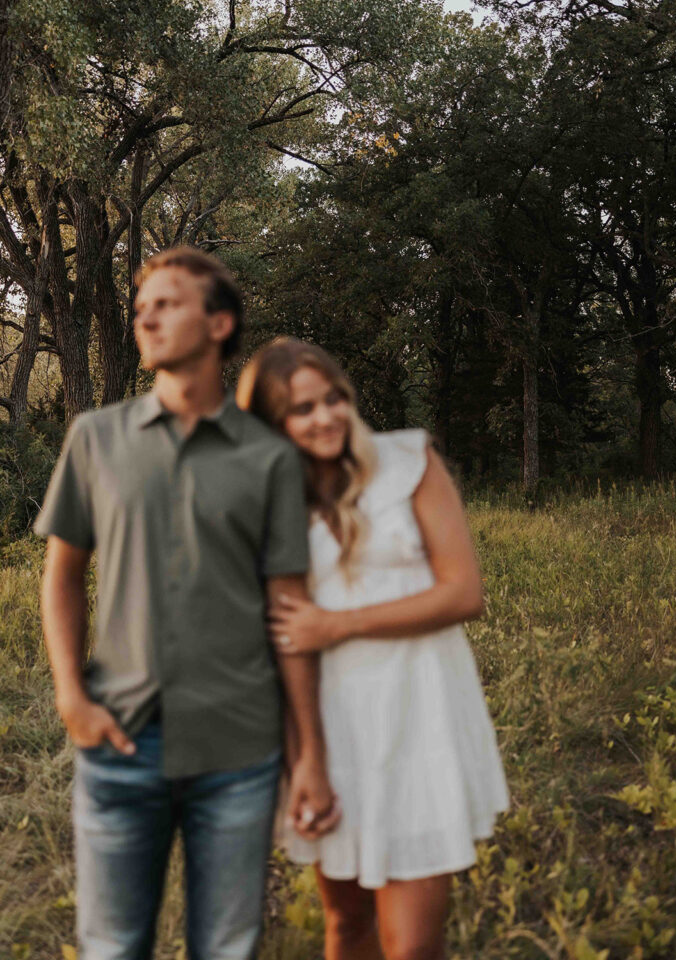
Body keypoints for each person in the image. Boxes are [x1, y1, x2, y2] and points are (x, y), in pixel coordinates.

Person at [34, 249, 338, 960]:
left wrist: (311, 758)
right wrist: (70, 697)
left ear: (218, 323)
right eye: (143, 304)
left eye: (168, 302)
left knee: (226, 948)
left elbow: (290, 613)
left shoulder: (267, 459)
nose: (146, 313)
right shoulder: (95, 438)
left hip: (238, 751)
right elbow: (61, 577)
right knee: (112, 946)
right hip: (118, 743)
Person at [235, 338, 509, 960]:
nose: (326, 416)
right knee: (347, 926)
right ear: (271, 425)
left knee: (410, 946)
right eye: (302, 409)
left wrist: (337, 624)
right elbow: (282, 643)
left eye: (334, 398)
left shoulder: (407, 461)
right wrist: (305, 760)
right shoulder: (268, 504)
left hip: (420, 715)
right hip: (331, 727)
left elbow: (463, 592)